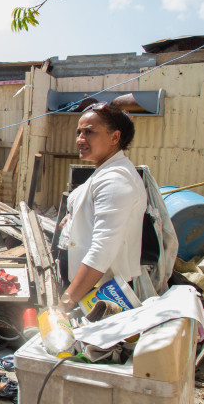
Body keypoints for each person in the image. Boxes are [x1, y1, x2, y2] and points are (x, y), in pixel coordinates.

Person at [57, 102, 146, 312]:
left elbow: (102, 250)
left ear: (115, 137)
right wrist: (74, 218)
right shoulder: (105, 172)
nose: (80, 139)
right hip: (88, 288)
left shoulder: (115, 179)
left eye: (89, 132)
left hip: (100, 293)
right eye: (79, 132)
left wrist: (66, 302)